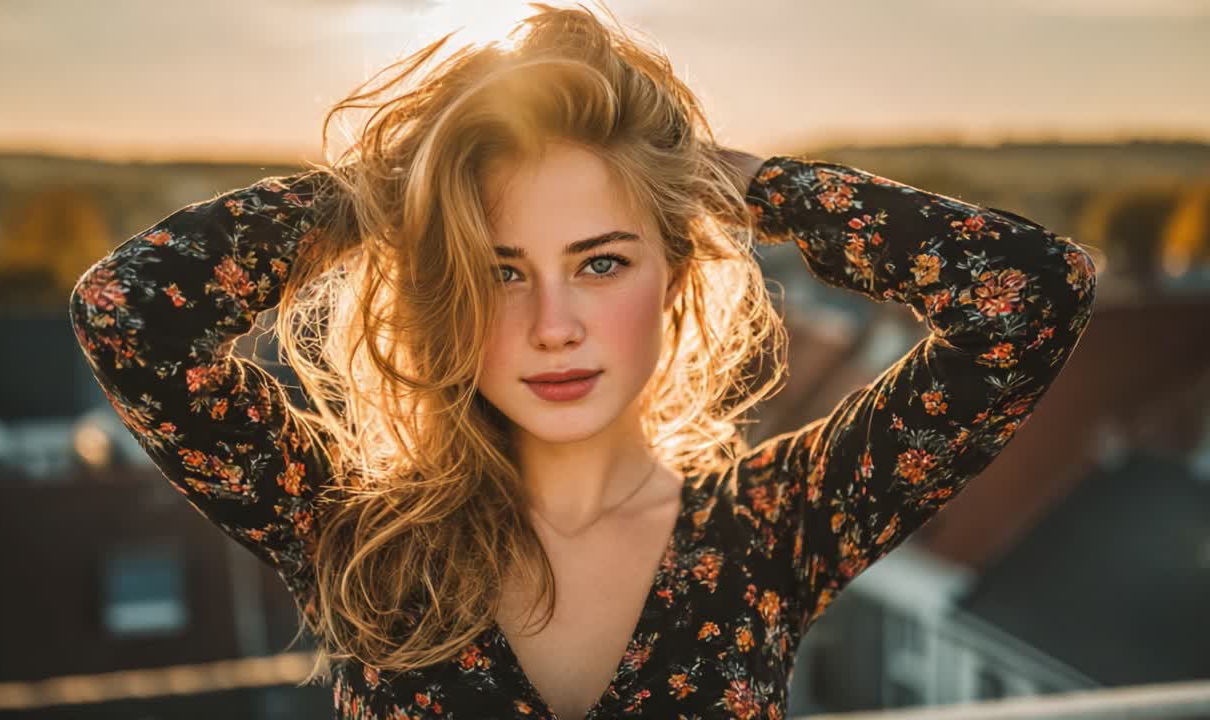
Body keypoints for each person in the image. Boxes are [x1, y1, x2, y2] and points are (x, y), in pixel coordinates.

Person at [68, 4, 1098, 719]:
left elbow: (1031, 291)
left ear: (676, 270)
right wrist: (387, 194)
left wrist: (749, 185)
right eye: (497, 270)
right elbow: (128, 315)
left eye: (599, 261)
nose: (553, 325)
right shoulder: (349, 527)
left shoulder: (777, 526)